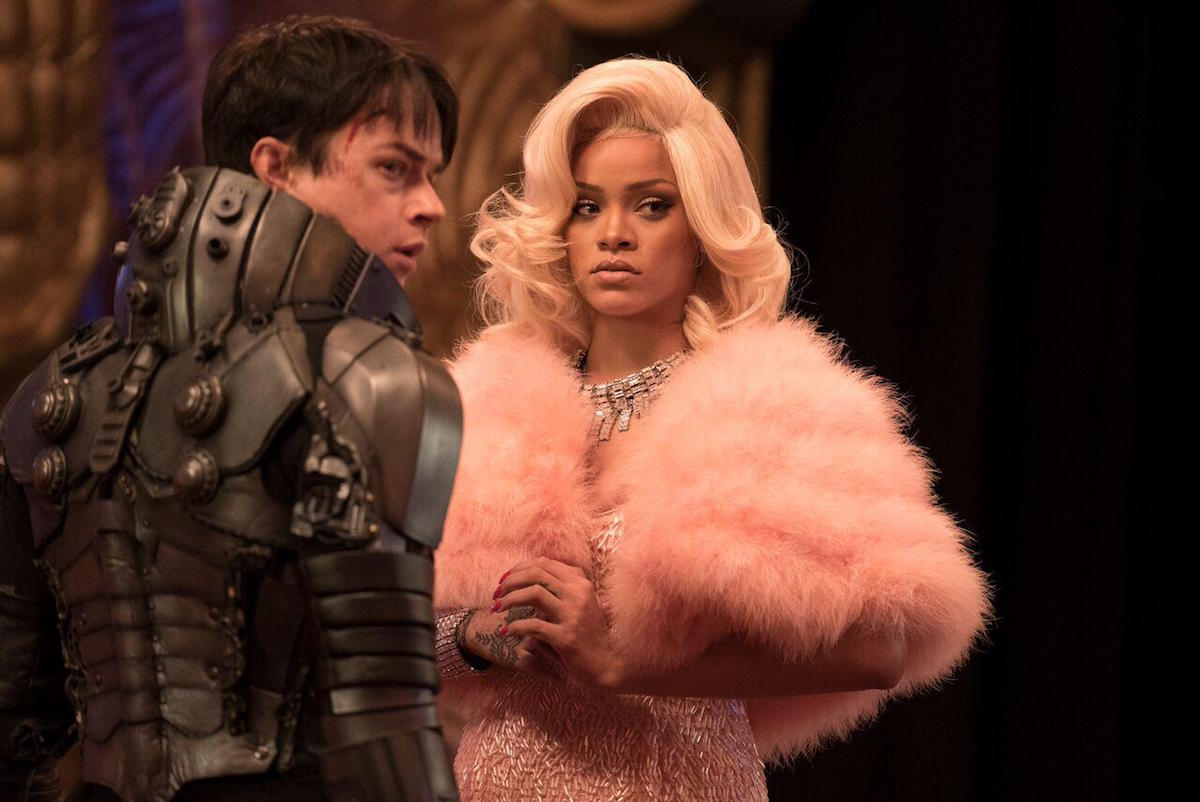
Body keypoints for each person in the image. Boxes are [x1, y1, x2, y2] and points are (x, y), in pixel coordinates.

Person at [430, 58, 990, 800]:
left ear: (700, 228)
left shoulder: (768, 407)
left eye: (651, 205)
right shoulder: (486, 405)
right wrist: (473, 636)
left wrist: (624, 663)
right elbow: (379, 638)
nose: (613, 234)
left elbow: (879, 650)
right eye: (587, 206)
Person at [1, 16, 462, 802]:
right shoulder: (371, 376)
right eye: (395, 168)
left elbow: (15, 722)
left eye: (432, 175)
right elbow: (385, 730)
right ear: (276, 166)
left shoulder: (52, 393)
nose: (431, 206)